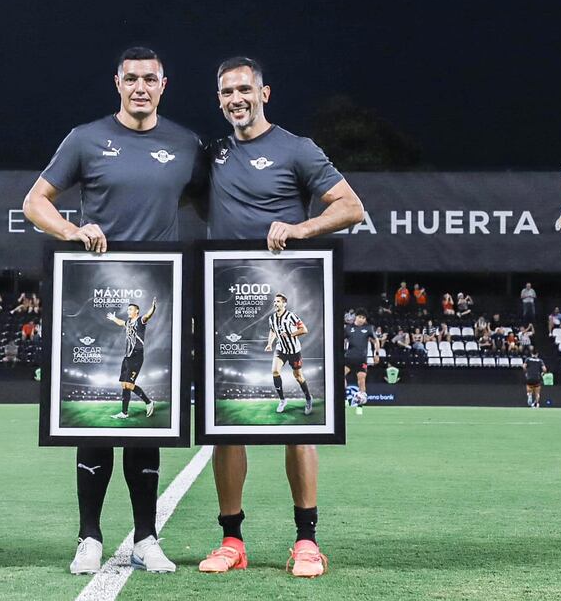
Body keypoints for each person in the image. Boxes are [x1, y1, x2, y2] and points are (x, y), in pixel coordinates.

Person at [23, 47, 204, 575]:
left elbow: (213, 202)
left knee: (149, 432)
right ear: (118, 84)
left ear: (164, 84)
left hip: (157, 300)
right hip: (97, 295)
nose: (141, 86)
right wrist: (72, 231)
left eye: (150, 78)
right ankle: (89, 537)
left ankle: (147, 537)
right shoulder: (85, 138)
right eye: (132, 79)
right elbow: (36, 201)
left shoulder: (185, 144)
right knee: (98, 419)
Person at [199, 56, 363, 578]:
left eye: (244, 89)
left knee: (300, 427)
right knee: (225, 427)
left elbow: (350, 206)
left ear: (264, 93)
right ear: (219, 98)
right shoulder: (214, 153)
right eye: (227, 92)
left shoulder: (297, 148)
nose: (236, 99)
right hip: (226, 303)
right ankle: (232, 541)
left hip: (285, 296)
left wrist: (300, 229)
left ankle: (306, 541)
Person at [106, 299, 157, 419]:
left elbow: (147, 316)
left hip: (136, 356)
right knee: (124, 385)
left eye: (130, 309)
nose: (128, 311)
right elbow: (121, 323)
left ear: (137, 311)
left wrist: (153, 308)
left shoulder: (140, 321)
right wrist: (114, 319)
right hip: (127, 356)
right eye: (128, 309)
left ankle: (149, 402)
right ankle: (124, 413)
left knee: (129, 384)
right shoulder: (129, 322)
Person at [265, 294, 313, 415]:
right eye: (274, 301)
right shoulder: (272, 318)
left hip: (294, 351)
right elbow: (272, 331)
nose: (275, 303)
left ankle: (308, 399)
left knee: (298, 376)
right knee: (275, 371)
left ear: (284, 303)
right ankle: (282, 400)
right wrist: (270, 343)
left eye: (278, 301)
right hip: (280, 349)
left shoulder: (291, 316)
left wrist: (291, 334)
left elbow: (304, 330)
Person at [344, 308, 379, 404]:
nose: (361, 319)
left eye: (363, 318)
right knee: (340, 375)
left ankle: (360, 406)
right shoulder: (348, 328)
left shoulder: (368, 328)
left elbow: (376, 340)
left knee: (362, 380)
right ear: (356, 317)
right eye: (360, 317)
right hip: (348, 358)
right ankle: (345, 398)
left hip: (362, 360)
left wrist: (376, 354)